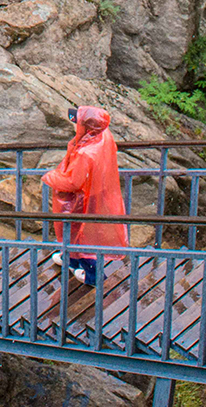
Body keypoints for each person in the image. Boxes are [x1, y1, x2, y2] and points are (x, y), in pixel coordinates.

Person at [43, 105, 127, 289]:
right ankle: (70, 259)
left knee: (81, 233)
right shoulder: (104, 135)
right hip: (97, 190)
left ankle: (93, 276)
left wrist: (50, 177)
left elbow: (73, 182)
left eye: (78, 122)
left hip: (82, 197)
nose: (75, 125)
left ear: (87, 127)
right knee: (79, 230)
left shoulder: (85, 153)